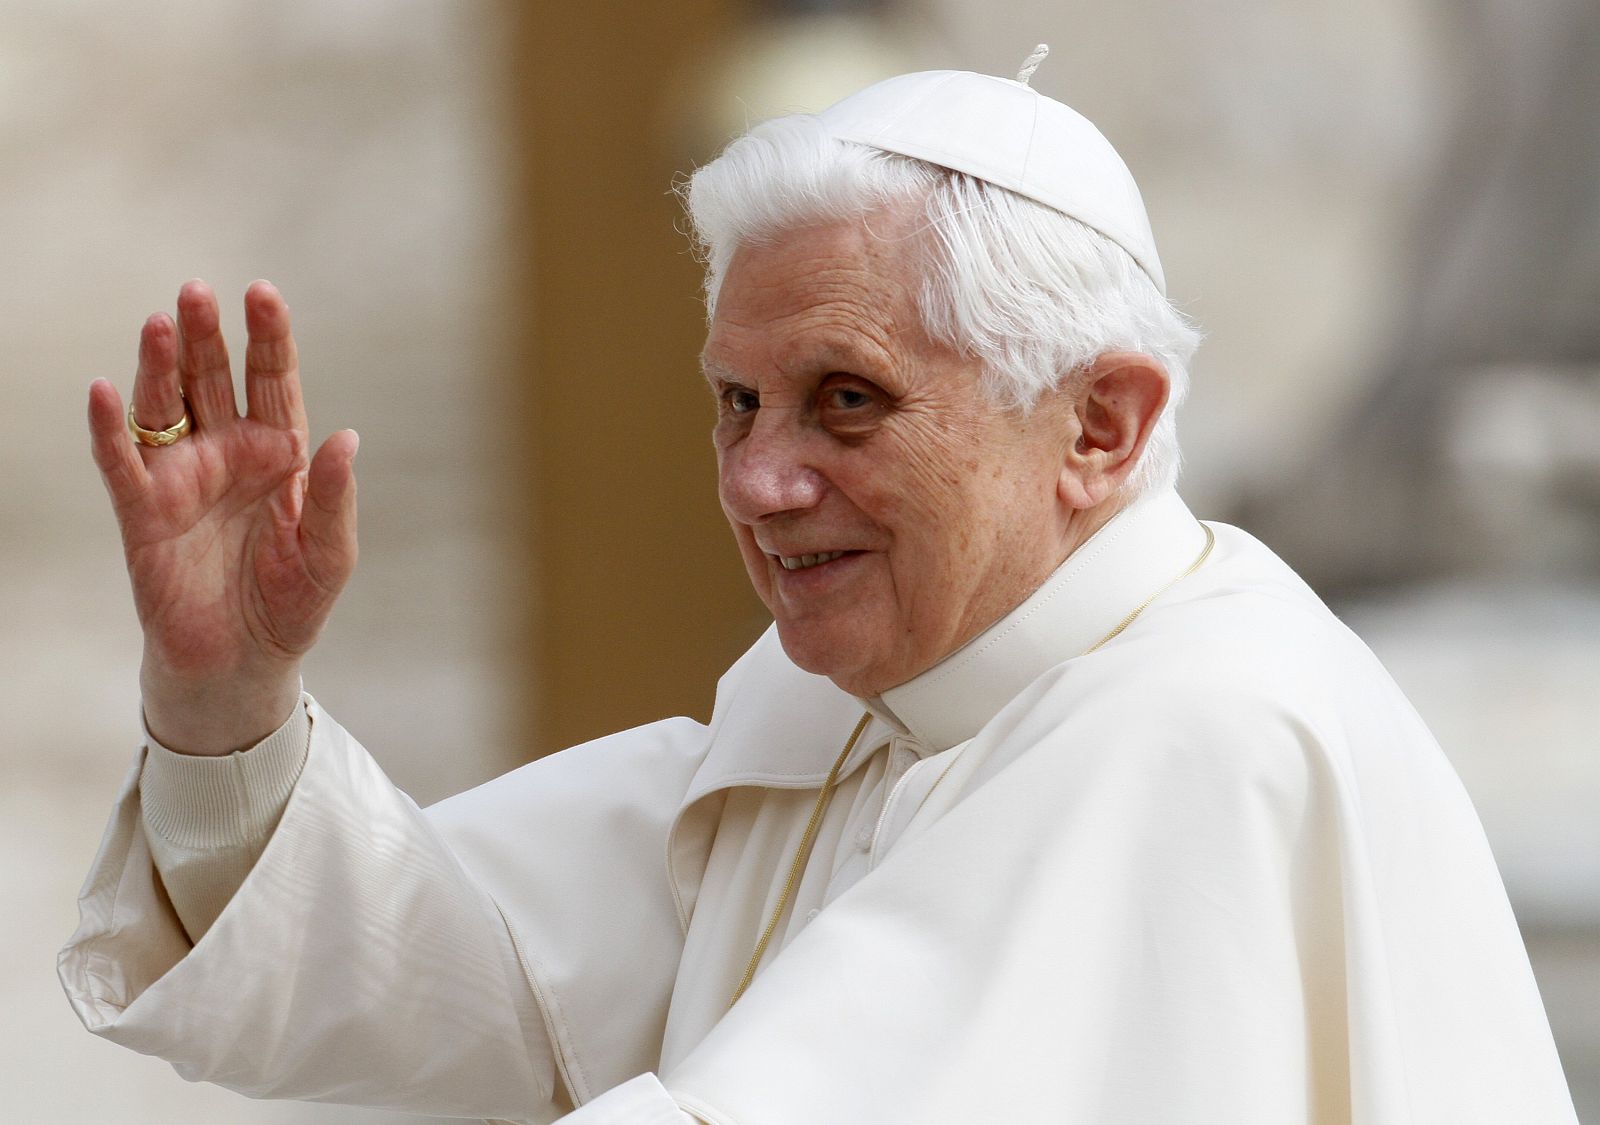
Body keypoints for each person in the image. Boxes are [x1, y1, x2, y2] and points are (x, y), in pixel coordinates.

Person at [60, 52, 1577, 1123]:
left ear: (1099, 426)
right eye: (737, 402)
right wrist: (226, 694)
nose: (760, 481)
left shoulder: (1206, 728)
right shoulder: (863, 696)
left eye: (848, 401)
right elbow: (453, 967)